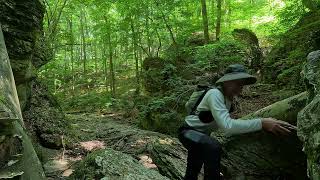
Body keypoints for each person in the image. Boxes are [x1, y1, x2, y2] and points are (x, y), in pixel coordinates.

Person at [178, 64, 296, 180]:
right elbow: (227, 126)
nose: (240, 87)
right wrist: (262, 123)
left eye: (242, 84)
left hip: (201, 138)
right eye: (237, 83)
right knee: (212, 147)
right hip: (188, 133)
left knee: (192, 173)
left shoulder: (228, 100)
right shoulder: (215, 94)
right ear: (226, 82)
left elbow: (226, 124)